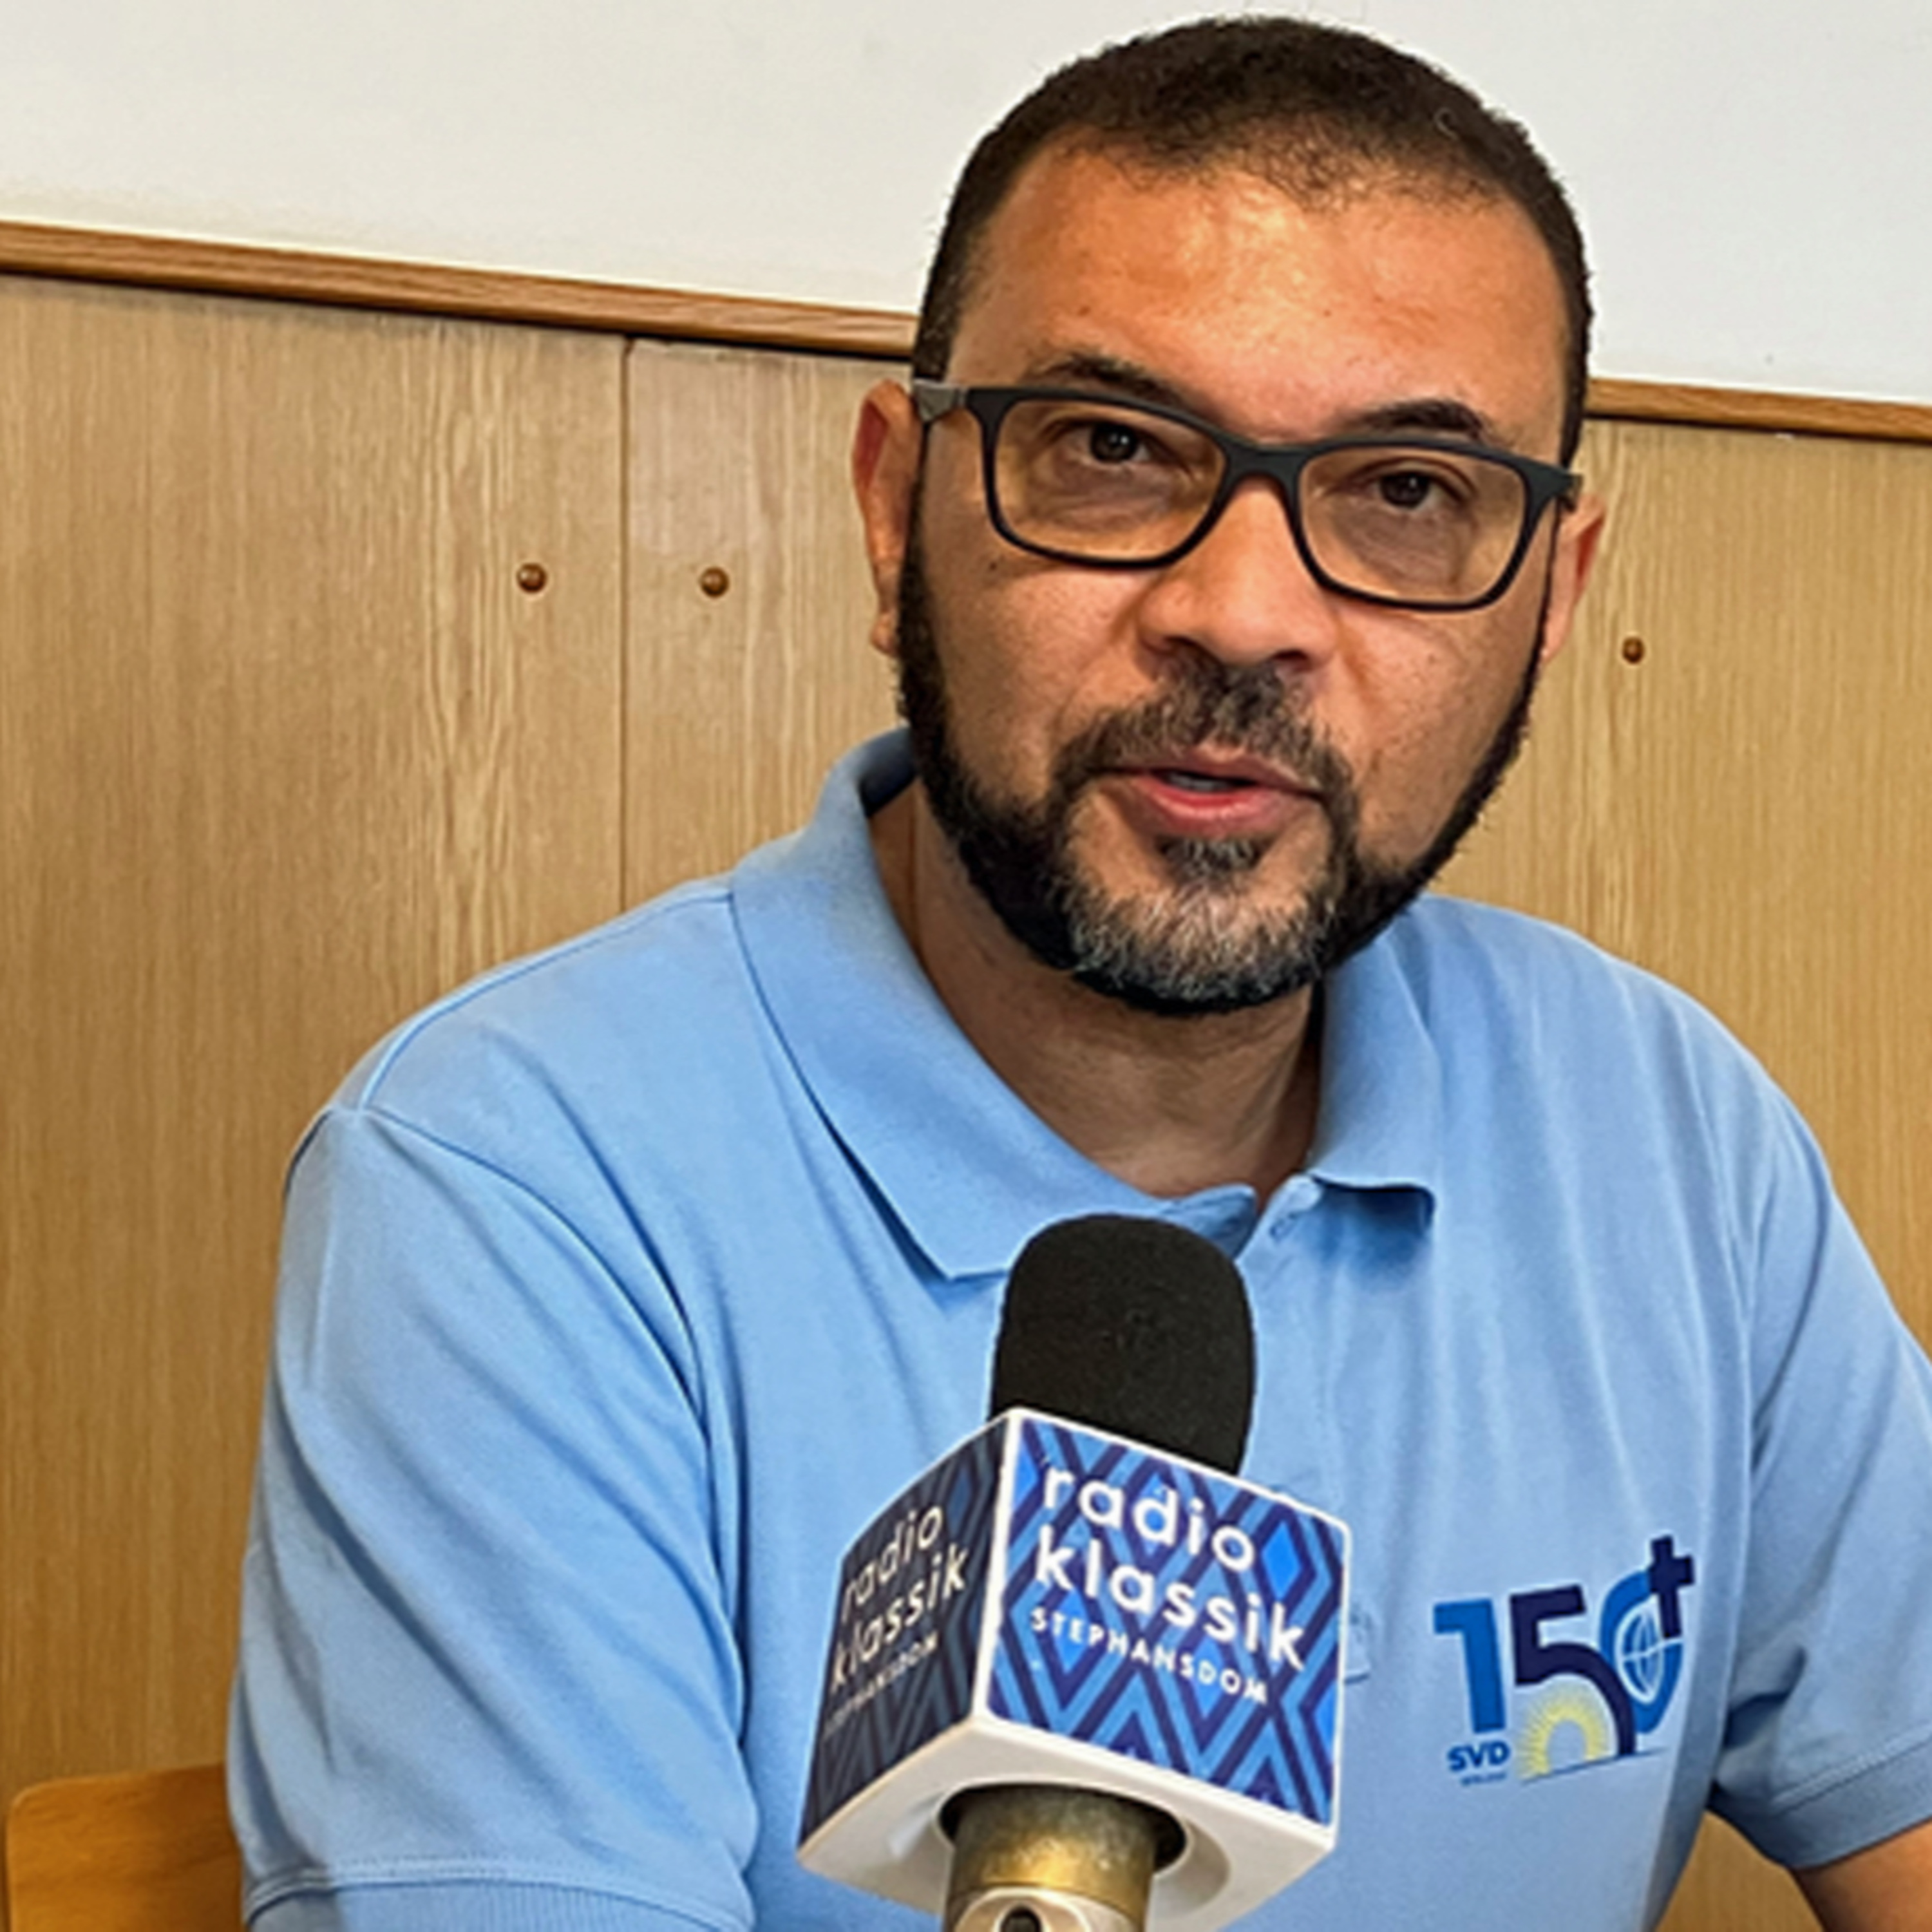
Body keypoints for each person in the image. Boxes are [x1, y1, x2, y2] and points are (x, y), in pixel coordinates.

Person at [229, 17, 1932, 1931]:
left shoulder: (1667, 1131)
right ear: (897, 511)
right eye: (1113, 453)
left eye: (1405, 493)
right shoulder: (517, 1189)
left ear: (1554, 596)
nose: (1246, 614)